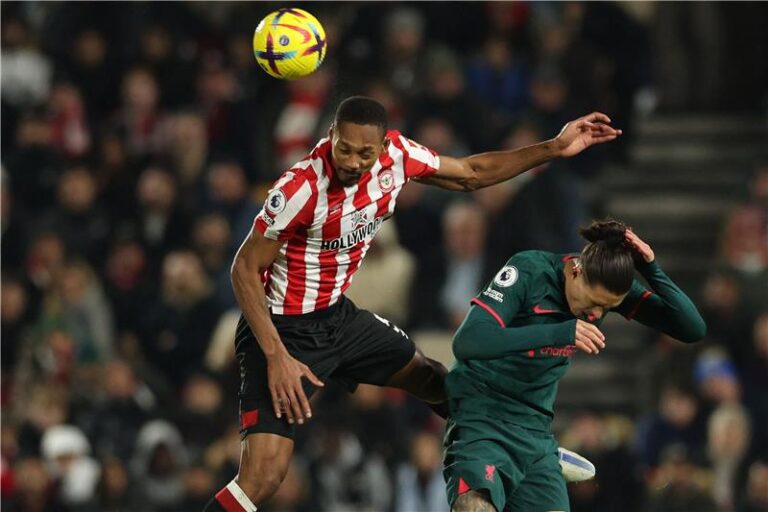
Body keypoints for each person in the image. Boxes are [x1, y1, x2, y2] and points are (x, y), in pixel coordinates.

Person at [204, 96, 622, 511]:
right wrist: (276, 356)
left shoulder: (399, 157)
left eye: (365, 153)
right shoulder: (299, 188)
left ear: (383, 146)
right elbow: (244, 268)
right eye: (343, 148)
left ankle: (527, 448)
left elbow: (472, 173)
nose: (352, 162)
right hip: (281, 330)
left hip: (336, 316)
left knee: (436, 379)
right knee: (264, 477)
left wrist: (553, 147)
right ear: (331, 135)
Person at [443, 219, 707, 512]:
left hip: (535, 431)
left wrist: (650, 268)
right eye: (594, 303)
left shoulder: (605, 291)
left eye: (607, 308)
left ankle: (546, 461)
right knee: (474, 506)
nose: (596, 315)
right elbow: (469, 341)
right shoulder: (529, 270)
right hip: (483, 418)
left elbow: (692, 328)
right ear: (576, 270)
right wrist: (559, 332)